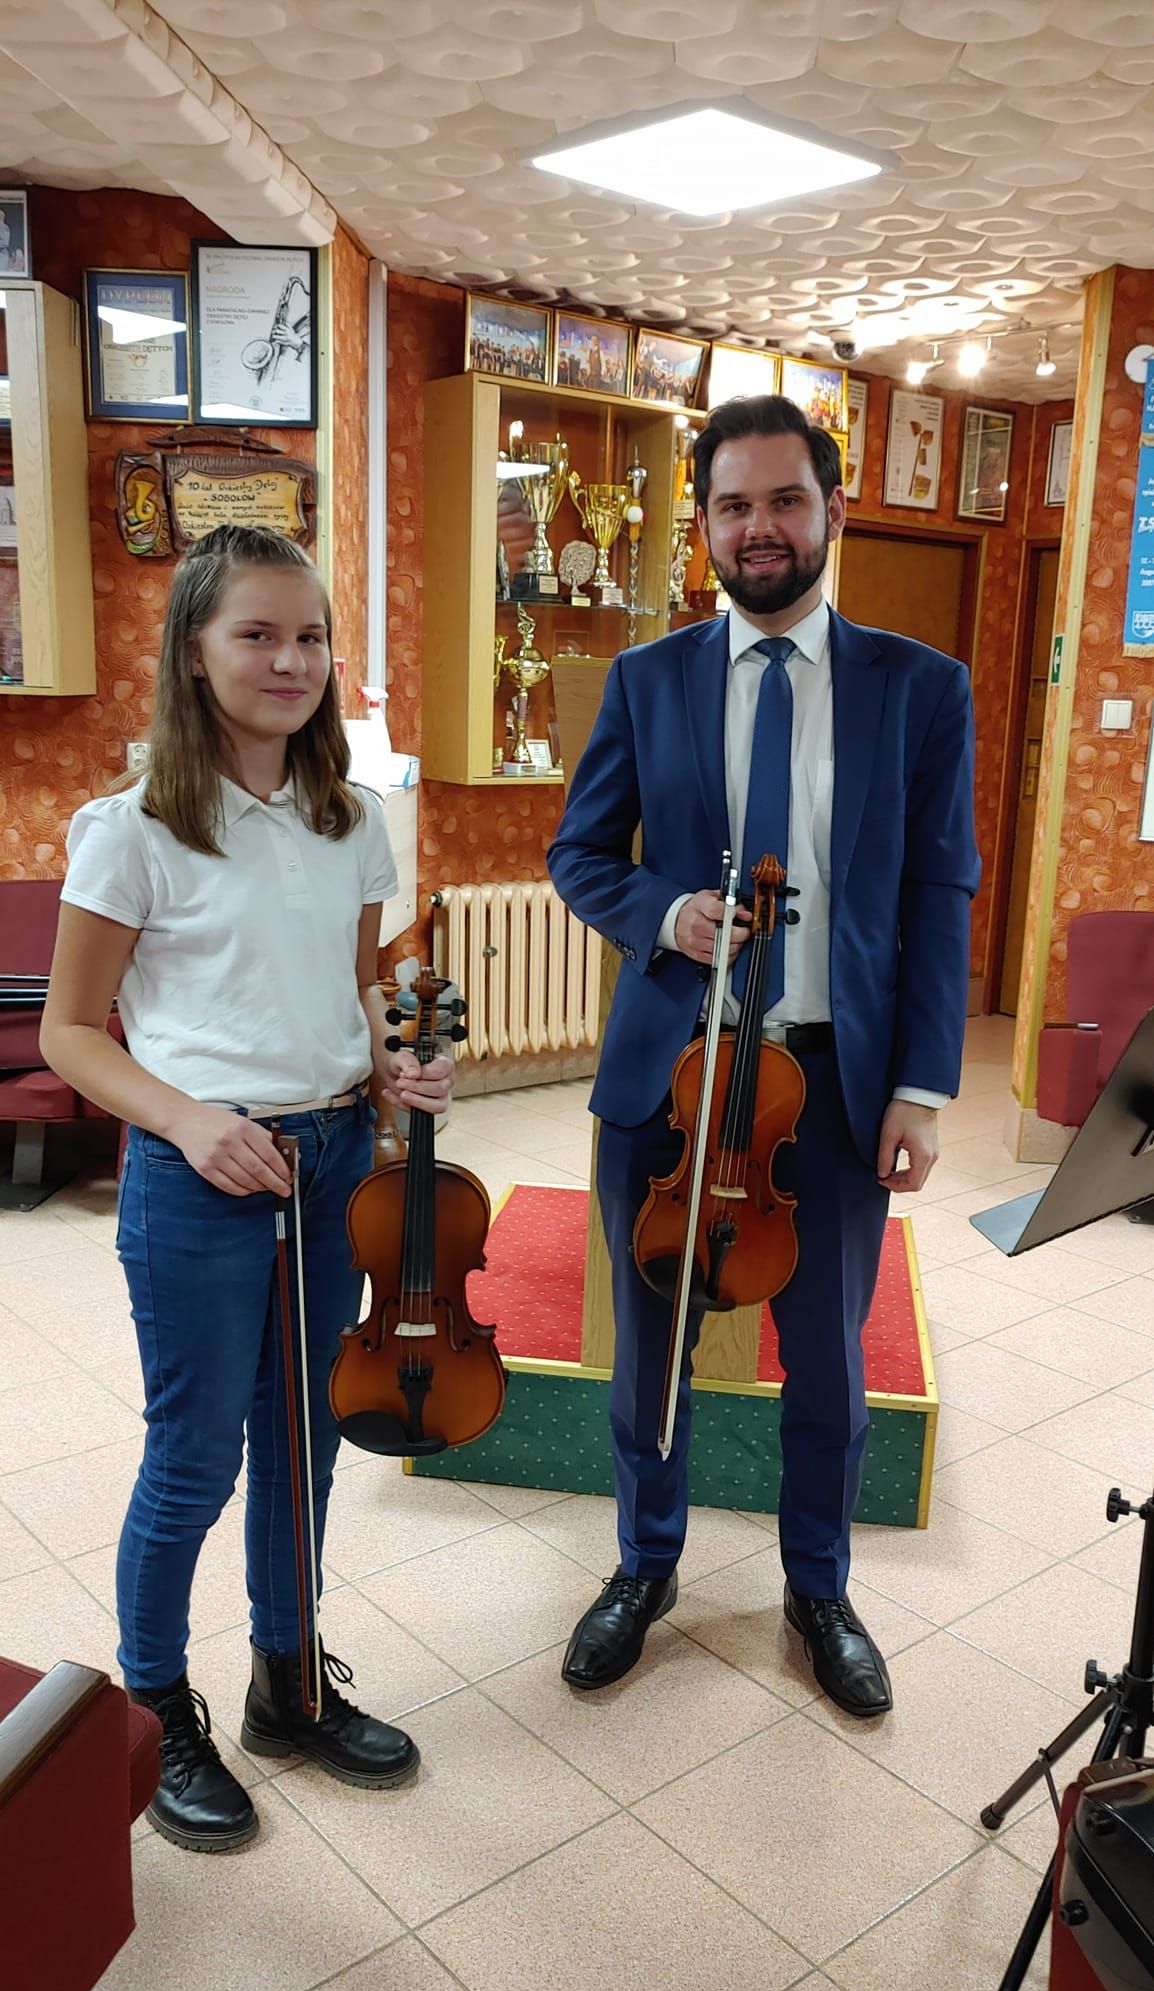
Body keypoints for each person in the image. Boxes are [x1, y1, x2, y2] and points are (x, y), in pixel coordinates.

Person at [548, 394, 979, 1715]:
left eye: (785, 500)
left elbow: (939, 893)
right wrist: (662, 912)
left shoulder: (921, 688)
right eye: (733, 505)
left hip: (834, 1085)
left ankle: (819, 1590)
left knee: (830, 1367)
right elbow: (579, 855)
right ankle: (643, 1568)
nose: (760, 528)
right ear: (703, 524)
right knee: (650, 1357)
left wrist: (920, 1086)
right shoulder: (647, 679)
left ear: (833, 511)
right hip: (670, 1082)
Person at [40, 524, 452, 1851]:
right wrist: (188, 1120)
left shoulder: (350, 820)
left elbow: (355, 988)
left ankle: (288, 1682)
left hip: (330, 1162)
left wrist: (393, 1061)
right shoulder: (132, 829)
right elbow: (70, 1032)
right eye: (257, 634)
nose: (290, 661)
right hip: (200, 1170)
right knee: (194, 1456)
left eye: (310, 637)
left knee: (305, 1437)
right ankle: (155, 1713)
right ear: (194, 652)